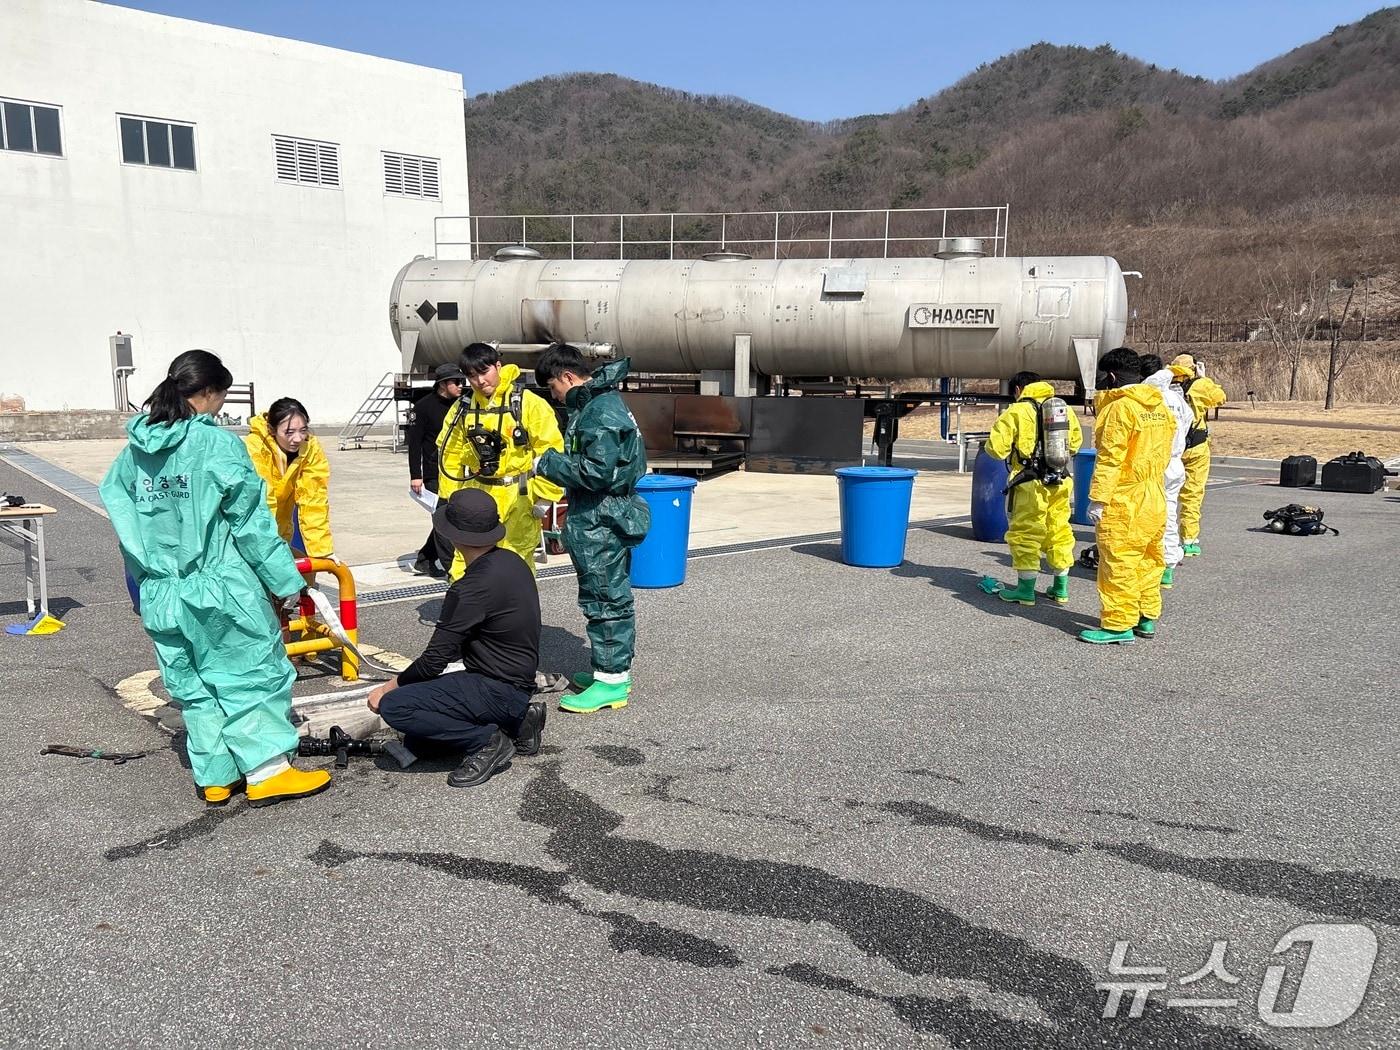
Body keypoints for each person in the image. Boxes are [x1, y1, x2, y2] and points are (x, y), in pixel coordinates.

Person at [100, 350, 331, 806]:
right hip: (218, 586)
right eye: (221, 397)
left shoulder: (132, 456)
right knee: (251, 674)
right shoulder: (218, 446)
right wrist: (287, 583)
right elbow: (252, 523)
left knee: (195, 685)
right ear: (207, 393)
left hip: (163, 591)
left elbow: (126, 528)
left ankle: (216, 774)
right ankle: (268, 771)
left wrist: (143, 586)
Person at [366, 489, 547, 788]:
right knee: (419, 739)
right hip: (518, 682)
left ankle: (488, 741)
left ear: (452, 536)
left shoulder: (469, 588)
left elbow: (433, 663)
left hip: (494, 686)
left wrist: (385, 689)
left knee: (397, 707)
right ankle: (519, 720)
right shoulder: (513, 562)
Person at [534, 344, 650, 714]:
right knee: (607, 594)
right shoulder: (600, 403)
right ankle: (608, 671)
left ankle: (612, 682)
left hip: (600, 516)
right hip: (604, 513)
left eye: (552, 387)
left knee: (604, 598)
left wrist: (546, 463)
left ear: (567, 377)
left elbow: (596, 472)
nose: (554, 395)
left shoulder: (598, 411)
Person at [436, 343, 564, 576]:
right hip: (477, 495)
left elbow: (551, 452)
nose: (480, 381)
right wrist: (449, 498)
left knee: (517, 563)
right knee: (465, 566)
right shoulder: (463, 408)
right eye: (472, 376)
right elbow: (449, 453)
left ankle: (515, 612)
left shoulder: (528, 403)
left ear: (498, 366)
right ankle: (468, 611)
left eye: (484, 372)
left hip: (519, 497)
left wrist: (545, 496)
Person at [1080, 348, 1175, 645]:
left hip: (1126, 498)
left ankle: (1118, 623)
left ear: (1110, 376)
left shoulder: (1120, 409)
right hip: (1154, 493)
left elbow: (1110, 458)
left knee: (1119, 561)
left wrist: (1098, 499)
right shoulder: (1158, 405)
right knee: (1149, 557)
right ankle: (1146, 616)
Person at [984, 371, 1083, 605]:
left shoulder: (1016, 411)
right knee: (1059, 530)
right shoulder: (1063, 409)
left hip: (1030, 482)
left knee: (1026, 532)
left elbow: (996, 449)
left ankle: (1025, 590)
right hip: (1061, 479)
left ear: (1018, 390)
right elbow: (1076, 444)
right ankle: (1060, 588)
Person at [244, 397, 337, 562]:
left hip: (282, 532)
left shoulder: (310, 448)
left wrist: (321, 550)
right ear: (272, 430)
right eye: (289, 432)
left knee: (303, 578)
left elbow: (314, 499)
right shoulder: (255, 447)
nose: (298, 438)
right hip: (254, 534)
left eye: (303, 430)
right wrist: (268, 548)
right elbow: (263, 499)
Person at [407, 362, 466, 577]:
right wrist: (416, 475)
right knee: (443, 517)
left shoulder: (461, 405)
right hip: (433, 472)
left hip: (457, 472)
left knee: (449, 516)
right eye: (456, 382)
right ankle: (450, 566)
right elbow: (414, 444)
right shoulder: (422, 407)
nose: (461, 386)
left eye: (462, 381)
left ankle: (424, 559)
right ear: (443, 383)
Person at [1140, 353, 1193, 588]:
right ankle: (1167, 568)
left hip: (1155, 463)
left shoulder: (1148, 396)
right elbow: (1189, 420)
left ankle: (1149, 565)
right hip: (1175, 462)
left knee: (1148, 517)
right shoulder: (1176, 398)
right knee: (1169, 514)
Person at [1170, 354, 1228, 557]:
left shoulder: (1165, 387)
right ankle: (1188, 540)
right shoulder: (1199, 386)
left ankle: (1161, 537)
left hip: (1171, 448)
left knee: (1165, 493)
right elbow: (1220, 397)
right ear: (1193, 369)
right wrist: (1204, 378)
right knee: (1192, 494)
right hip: (1196, 447)